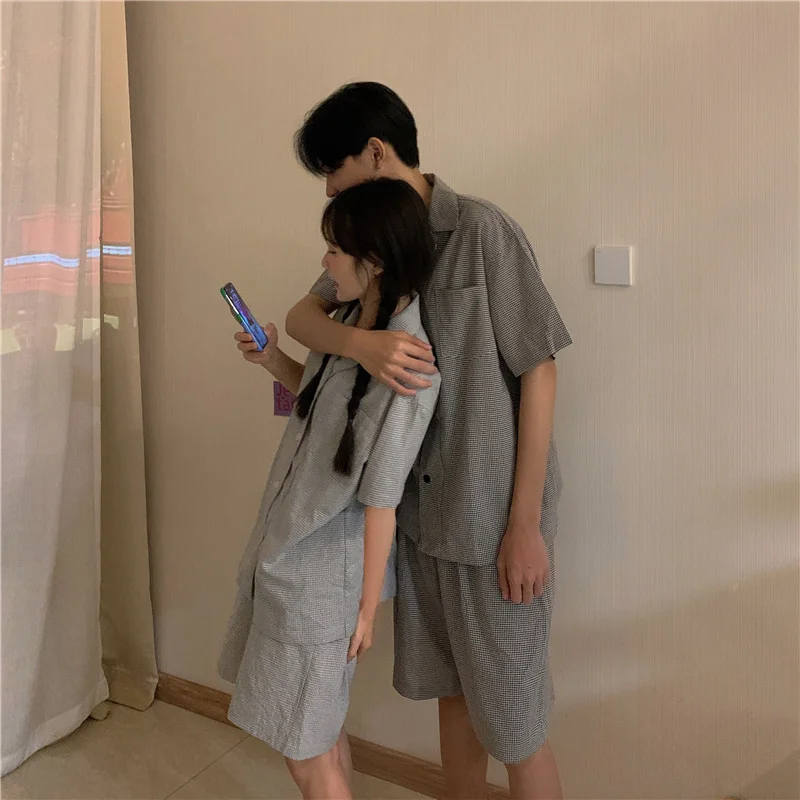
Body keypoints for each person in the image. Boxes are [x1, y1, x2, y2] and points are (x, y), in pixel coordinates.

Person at [285, 82, 573, 800]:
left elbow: (539, 369)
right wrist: (363, 344)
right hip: (417, 519)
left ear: (376, 152)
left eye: (334, 169)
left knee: (516, 722)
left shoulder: (481, 230)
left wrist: (525, 525)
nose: (329, 189)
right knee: (453, 694)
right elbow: (301, 318)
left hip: (492, 522)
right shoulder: (369, 242)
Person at [218, 178, 441, 800]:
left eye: (335, 251)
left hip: (324, 582)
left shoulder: (410, 365)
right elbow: (319, 409)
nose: (324, 262)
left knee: (305, 753)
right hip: (287, 555)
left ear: (374, 262)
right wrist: (271, 359)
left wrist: (365, 611)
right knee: (319, 733)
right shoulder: (346, 322)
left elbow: (383, 500)